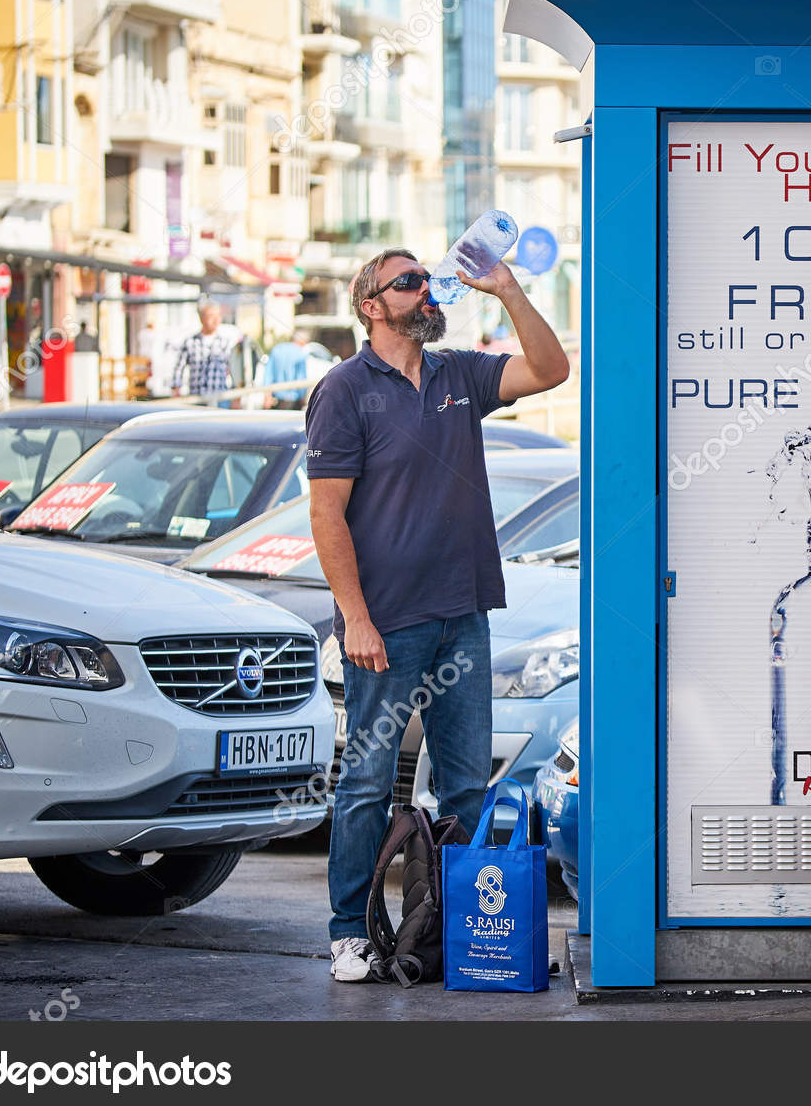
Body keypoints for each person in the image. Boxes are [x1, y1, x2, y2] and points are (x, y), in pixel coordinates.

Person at [307, 247, 569, 982]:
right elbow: (326, 515)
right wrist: (354, 618)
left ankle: (458, 932)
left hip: (464, 614)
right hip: (387, 624)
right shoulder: (345, 390)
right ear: (371, 305)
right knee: (366, 779)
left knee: (464, 787)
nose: (426, 290)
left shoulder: (459, 374)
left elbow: (550, 370)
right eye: (407, 282)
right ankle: (347, 933)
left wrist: (508, 287)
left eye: (427, 279)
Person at [168, 299, 242, 403]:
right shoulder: (191, 342)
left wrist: (236, 398)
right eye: (211, 316)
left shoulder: (226, 344)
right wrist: (176, 390)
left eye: (218, 316)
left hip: (219, 399)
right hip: (196, 400)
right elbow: (178, 368)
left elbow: (235, 371)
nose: (216, 320)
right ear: (201, 318)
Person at [260, 329, 311, 408]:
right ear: (302, 342)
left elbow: (268, 375)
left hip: (275, 399)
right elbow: (301, 379)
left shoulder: (276, 349)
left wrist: (267, 396)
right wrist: (302, 399)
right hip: (293, 400)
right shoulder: (300, 354)